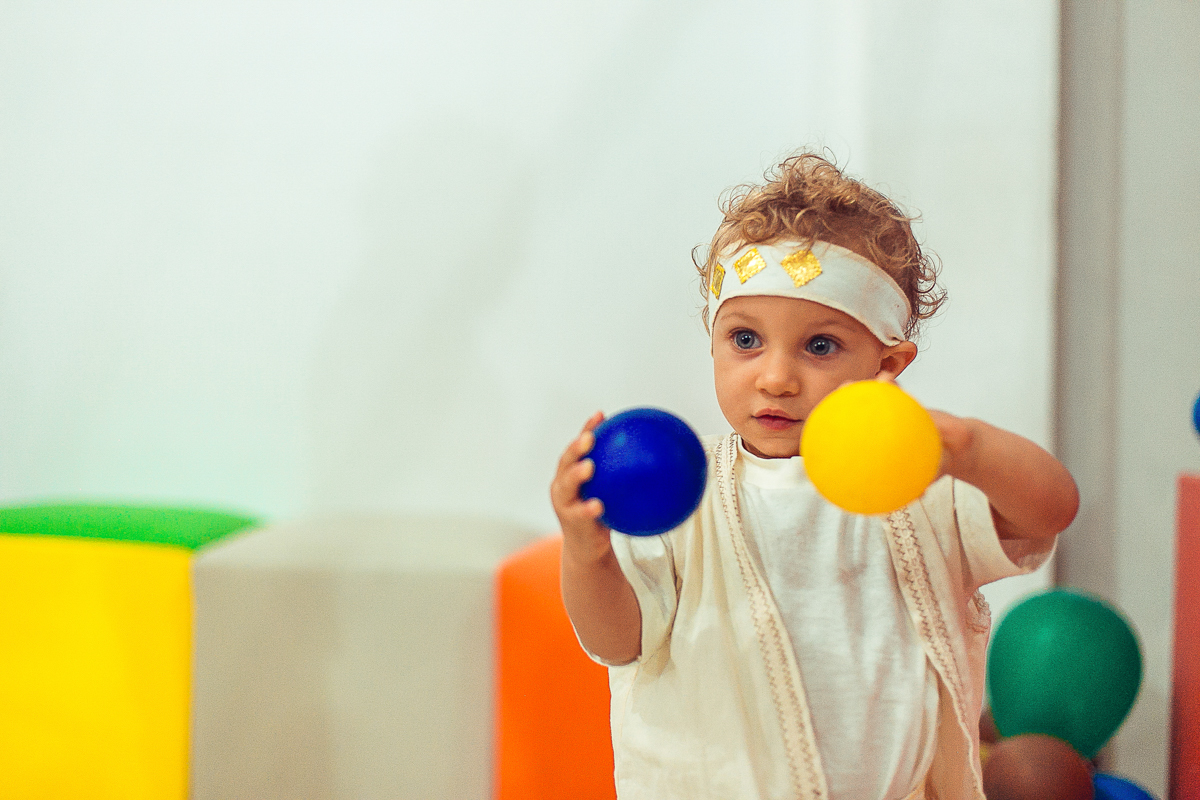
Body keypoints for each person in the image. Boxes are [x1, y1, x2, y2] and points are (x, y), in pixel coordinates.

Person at [549, 152, 1079, 800]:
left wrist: (965, 447)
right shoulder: (682, 494)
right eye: (745, 339)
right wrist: (586, 551)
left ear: (888, 363)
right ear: (712, 339)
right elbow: (617, 641)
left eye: (819, 346)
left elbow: (1051, 509)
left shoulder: (916, 485)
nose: (775, 377)